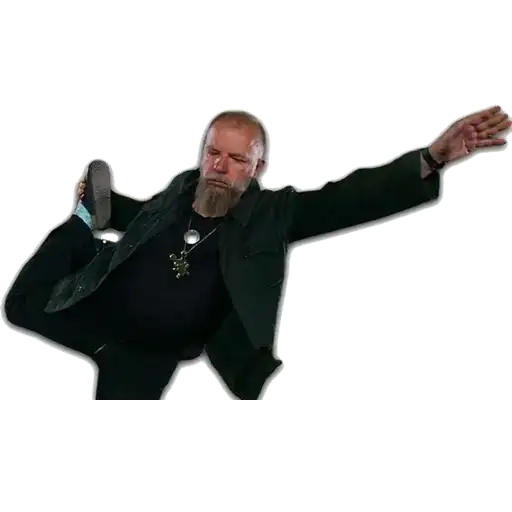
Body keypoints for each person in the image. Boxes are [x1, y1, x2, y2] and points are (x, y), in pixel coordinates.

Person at [3, 107, 511, 400]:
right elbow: (148, 221)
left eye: (235, 158)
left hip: (148, 356)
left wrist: (431, 159)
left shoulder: (273, 216)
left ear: (257, 167)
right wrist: (109, 209)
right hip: (104, 304)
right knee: (19, 305)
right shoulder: (182, 189)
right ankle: (84, 225)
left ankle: (89, 226)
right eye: (213, 153)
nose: (219, 166)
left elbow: (348, 198)